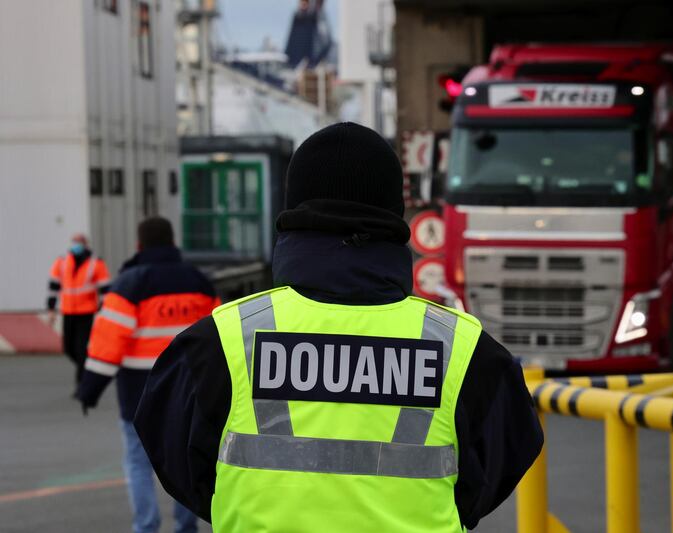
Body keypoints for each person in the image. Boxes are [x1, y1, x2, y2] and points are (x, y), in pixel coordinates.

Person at [135, 123, 544, 532]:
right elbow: (493, 471)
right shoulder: (466, 350)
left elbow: (179, 461)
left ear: (294, 212)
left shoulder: (218, 342)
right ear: (393, 214)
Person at [76, 217, 219, 533]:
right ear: (172, 242)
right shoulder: (199, 282)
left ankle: (146, 526)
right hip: (187, 391)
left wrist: (90, 389)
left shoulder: (129, 285)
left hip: (138, 392)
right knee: (184, 460)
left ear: (139, 245)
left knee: (139, 464)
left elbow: (107, 345)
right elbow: (218, 337)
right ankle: (186, 526)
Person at [47, 233, 111, 387]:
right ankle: (87, 368)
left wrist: (103, 310)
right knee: (68, 348)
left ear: (85, 244)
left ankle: (81, 383)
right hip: (68, 312)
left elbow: (105, 290)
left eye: (79, 242)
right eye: (74, 242)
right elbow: (53, 287)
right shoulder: (62, 262)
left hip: (86, 312)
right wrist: (51, 309)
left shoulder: (96, 263)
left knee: (81, 347)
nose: (76, 245)